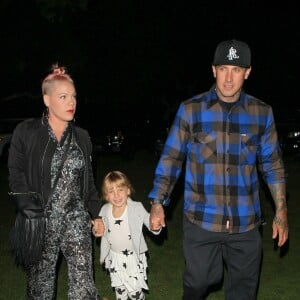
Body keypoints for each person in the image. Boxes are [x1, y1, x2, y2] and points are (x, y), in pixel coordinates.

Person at [148, 39, 289, 300]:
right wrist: (158, 202)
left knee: (243, 294)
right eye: (223, 69)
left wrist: (281, 210)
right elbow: (171, 158)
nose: (228, 78)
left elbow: (272, 164)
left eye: (236, 70)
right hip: (201, 219)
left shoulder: (262, 112)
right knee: (199, 283)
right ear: (213, 70)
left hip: (245, 223)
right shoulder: (191, 110)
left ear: (247, 72)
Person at [8, 64, 104, 299]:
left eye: (73, 96)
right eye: (63, 96)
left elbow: (88, 180)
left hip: (76, 220)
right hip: (41, 220)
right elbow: (15, 172)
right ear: (47, 99)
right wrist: (29, 209)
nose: (71, 102)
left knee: (83, 285)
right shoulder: (26, 131)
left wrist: (97, 213)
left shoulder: (82, 137)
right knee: (40, 288)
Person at [98, 171, 161, 300]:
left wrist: (156, 226)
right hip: (114, 258)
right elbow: (100, 230)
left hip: (132, 259)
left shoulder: (136, 208)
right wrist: (96, 230)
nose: (116, 195)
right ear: (106, 196)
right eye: (111, 191)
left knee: (134, 292)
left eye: (120, 189)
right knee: (119, 291)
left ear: (128, 190)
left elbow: (150, 222)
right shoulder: (104, 210)